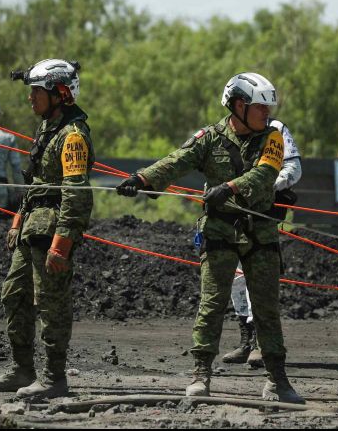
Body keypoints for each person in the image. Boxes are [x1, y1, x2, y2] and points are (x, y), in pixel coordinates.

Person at [115, 72, 304, 404]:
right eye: (261, 107)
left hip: (260, 234)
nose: (267, 113)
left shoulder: (272, 137)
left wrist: (229, 188)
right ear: (239, 106)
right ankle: (200, 376)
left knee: (266, 308)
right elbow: (177, 161)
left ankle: (278, 381)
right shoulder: (209, 138)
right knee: (212, 304)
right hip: (218, 231)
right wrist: (142, 180)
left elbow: (265, 174)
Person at [0, 59, 94, 399]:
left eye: (37, 92)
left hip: (52, 230)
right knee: (14, 294)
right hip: (31, 226)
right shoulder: (46, 129)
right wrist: (17, 220)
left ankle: (54, 377)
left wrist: (62, 245)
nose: (30, 98)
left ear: (59, 94)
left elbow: (76, 194)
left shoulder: (73, 136)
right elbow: (34, 183)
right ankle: (22, 369)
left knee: (50, 302)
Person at [222, 117, 302, 367]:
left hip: (263, 214)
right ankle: (246, 341)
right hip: (232, 213)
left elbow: (293, 167)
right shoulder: (227, 130)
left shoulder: (276, 129)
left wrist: (269, 185)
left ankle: (261, 344)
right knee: (236, 278)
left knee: (256, 276)